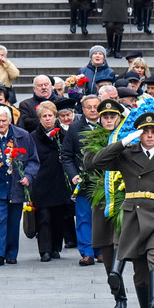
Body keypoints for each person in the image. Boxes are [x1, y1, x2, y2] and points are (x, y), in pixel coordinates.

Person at [88, 112, 154, 308]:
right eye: (145, 131)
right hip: (134, 217)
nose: (149, 135)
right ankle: (145, 304)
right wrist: (122, 143)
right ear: (138, 134)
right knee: (140, 272)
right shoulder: (127, 155)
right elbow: (95, 162)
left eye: (153, 131)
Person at [0, 106, 40, 265]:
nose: (1, 123)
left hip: (16, 186)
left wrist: (28, 176)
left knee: (13, 221)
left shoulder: (22, 135)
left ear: (10, 120)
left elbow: (33, 160)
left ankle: (11, 254)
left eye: (4, 120)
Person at [83, 99, 128, 307]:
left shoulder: (129, 137)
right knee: (107, 250)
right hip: (102, 200)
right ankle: (119, 295)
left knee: (124, 245)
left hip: (125, 198)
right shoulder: (93, 138)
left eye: (113, 116)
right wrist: (117, 147)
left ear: (119, 118)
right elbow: (91, 163)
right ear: (100, 118)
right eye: (105, 117)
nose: (109, 120)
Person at [60, 94, 101, 266]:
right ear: (82, 110)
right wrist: (73, 175)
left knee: (101, 217)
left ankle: (101, 250)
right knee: (84, 217)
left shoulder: (108, 124)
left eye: (96, 107)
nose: (93, 110)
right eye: (88, 107)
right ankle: (87, 252)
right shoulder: (75, 128)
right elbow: (66, 156)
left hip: (102, 181)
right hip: (83, 181)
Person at [29, 101, 72, 262]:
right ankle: (44, 250)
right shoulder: (33, 136)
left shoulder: (63, 134)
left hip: (59, 182)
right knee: (44, 217)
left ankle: (55, 247)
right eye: (44, 116)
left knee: (58, 217)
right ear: (39, 118)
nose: (48, 119)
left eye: (51, 116)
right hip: (41, 183)